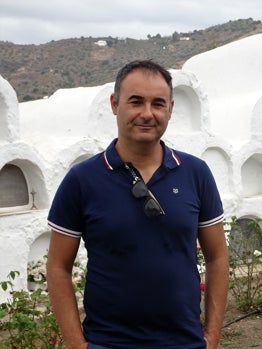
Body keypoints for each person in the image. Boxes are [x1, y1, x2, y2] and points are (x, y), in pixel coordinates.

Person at [46, 60, 229, 349]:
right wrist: (77, 345)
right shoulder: (82, 180)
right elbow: (58, 266)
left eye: (158, 104)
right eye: (136, 102)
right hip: (107, 342)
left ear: (170, 109)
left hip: (185, 343)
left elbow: (217, 257)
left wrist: (212, 337)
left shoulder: (196, 173)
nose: (147, 113)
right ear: (114, 104)